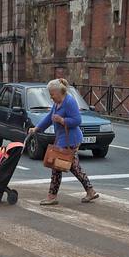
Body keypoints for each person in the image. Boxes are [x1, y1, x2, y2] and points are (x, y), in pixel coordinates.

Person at [28, 78, 98, 206]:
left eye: (52, 94)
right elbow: (49, 118)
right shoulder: (57, 103)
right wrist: (37, 128)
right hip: (63, 139)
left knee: (57, 166)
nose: (51, 97)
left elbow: (77, 121)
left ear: (59, 92)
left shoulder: (69, 101)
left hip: (70, 139)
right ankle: (90, 191)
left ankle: (52, 196)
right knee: (74, 167)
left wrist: (62, 120)